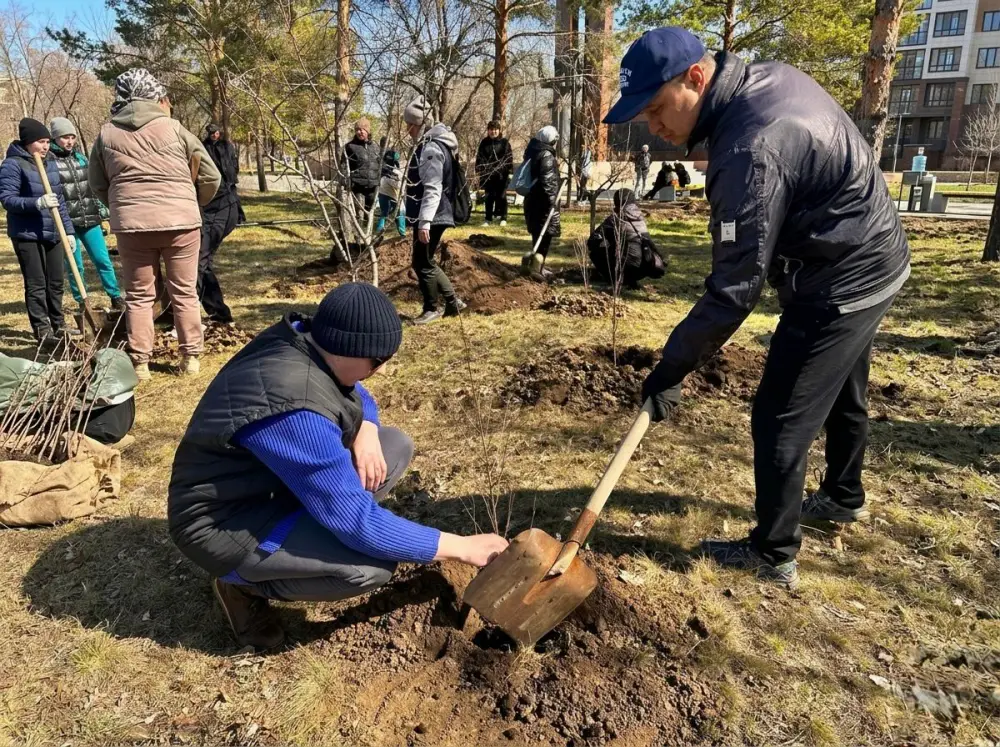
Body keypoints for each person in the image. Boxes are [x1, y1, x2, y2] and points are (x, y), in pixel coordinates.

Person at [604, 27, 910, 588]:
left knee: (780, 415)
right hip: (872, 249)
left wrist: (671, 369)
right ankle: (843, 497)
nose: (655, 129)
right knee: (843, 389)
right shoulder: (757, 82)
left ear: (695, 78)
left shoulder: (750, 147)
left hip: (842, 273)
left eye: (656, 109)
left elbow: (733, 290)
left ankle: (772, 554)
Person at [168, 283, 509, 649]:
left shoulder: (305, 341)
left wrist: (366, 427)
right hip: (225, 523)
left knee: (392, 445)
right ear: (346, 349)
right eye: (377, 361)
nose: (380, 370)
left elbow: (356, 392)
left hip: (268, 486)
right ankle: (241, 586)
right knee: (368, 568)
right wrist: (462, 547)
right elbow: (357, 523)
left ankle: (311, 533)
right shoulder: (295, 410)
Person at [89, 68, 222, 380]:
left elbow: (97, 184)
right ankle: (190, 358)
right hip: (181, 224)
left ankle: (140, 363)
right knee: (184, 291)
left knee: (138, 295)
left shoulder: (106, 135)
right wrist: (192, 203)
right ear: (155, 94)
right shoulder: (175, 128)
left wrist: (123, 207)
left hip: (132, 227)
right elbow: (211, 176)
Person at [0, 118, 75, 343]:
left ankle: (59, 324)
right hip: (26, 233)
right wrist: (37, 203)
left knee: (55, 281)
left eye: (47, 142)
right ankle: (42, 330)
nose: (45, 147)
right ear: (28, 142)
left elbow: (59, 200)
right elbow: (7, 199)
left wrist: (68, 231)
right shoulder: (12, 164)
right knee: (36, 283)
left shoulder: (50, 162)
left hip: (52, 231)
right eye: (41, 142)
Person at [49, 117, 124, 312]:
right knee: (76, 265)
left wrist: (104, 215)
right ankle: (82, 301)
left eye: (72, 137)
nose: (70, 141)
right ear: (55, 138)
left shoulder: (81, 158)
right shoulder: (49, 162)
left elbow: (94, 188)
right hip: (68, 224)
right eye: (65, 137)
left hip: (90, 220)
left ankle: (115, 296)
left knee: (103, 260)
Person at [402, 96, 465, 325]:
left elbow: (432, 187)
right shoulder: (434, 144)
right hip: (436, 213)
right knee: (425, 260)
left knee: (422, 262)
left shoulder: (430, 148)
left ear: (419, 124)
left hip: (433, 214)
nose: (407, 129)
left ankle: (432, 308)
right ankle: (452, 302)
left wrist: (424, 221)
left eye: (409, 124)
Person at [198, 123, 241, 325]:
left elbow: (229, 170)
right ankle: (218, 312)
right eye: (211, 132)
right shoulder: (203, 147)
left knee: (200, 262)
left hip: (222, 204)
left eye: (217, 131)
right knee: (201, 262)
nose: (215, 134)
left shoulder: (226, 146)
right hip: (212, 206)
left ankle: (219, 313)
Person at [587, 188, 666, 290]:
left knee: (595, 253)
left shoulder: (615, 219)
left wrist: (605, 244)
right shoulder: (640, 218)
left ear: (616, 201)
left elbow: (592, 241)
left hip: (625, 268)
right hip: (643, 269)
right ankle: (630, 280)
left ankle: (614, 279)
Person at [520, 125, 561, 278]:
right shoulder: (546, 156)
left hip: (533, 201)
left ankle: (537, 265)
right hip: (543, 204)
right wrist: (552, 204)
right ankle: (538, 268)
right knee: (544, 237)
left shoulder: (532, 152)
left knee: (538, 235)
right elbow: (548, 182)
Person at [474, 120, 513, 227]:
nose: (493, 132)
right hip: (488, 175)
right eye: (491, 129)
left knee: (502, 196)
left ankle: (503, 217)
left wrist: (509, 172)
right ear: (488, 130)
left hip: (502, 175)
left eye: (495, 129)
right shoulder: (484, 142)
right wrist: (479, 170)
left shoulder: (504, 142)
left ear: (499, 130)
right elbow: (480, 157)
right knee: (489, 197)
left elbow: (509, 158)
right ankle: (488, 218)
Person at [344, 118, 379, 217]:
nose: (360, 132)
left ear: (367, 131)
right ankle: (357, 230)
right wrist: (346, 182)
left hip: (373, 185)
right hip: (357, 186)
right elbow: (344, 166)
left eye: (362, 129)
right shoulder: (350, 147)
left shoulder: (375, 147)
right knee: (358, 212)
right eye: (357, 130)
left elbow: (380, 164)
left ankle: (368, 231)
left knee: (370, 213)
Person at [376, 137, 406, 237]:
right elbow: (398, 185)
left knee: (384, 213)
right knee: (400, 211)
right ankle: (402, 233)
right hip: (391, 193)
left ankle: (379, 232)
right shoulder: (395, 172)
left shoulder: (381, 159)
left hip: (383, 191)